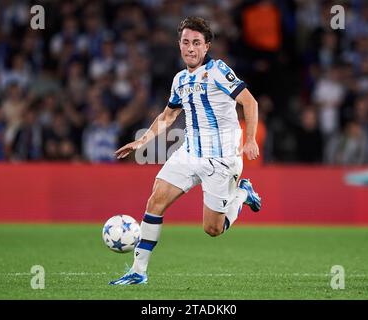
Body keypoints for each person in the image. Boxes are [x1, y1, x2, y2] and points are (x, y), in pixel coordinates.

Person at [110, 17, 262, 285]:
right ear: (179, 45)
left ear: (206, 47)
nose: (190, 48)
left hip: (221, 159)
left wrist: (250, 139)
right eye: (185, 42)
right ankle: (138, 271)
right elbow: (168, 116)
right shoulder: (180, 79)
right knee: (155, 200)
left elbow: (249, 102)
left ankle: (241, 194)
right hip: (189, 153)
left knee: (212, 229)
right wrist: (142, 140)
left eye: (196, 43)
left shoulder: (218, 71)